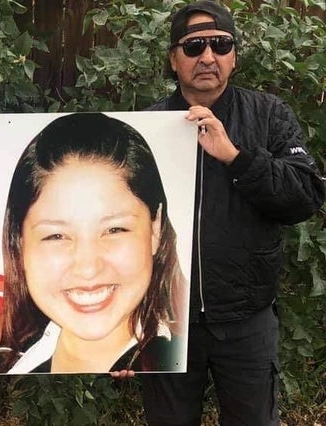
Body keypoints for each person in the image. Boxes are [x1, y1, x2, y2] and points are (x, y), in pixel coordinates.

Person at [138, 1, 325, 425]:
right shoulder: (145, 128)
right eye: (193, 46)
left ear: (234, 56)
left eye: (220, 45)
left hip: (246, 320)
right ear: (173, 59)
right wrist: (117, 337)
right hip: (168, 321)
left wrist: (237, 158)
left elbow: (306, 196)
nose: (207, 57)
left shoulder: (269, 116)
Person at [0, 113, 188, 374]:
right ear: (21, 243)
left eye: (114, 230)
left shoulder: (179, 364)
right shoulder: (5, 362)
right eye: (56, 236)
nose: (88, 268)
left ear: (155, 228)